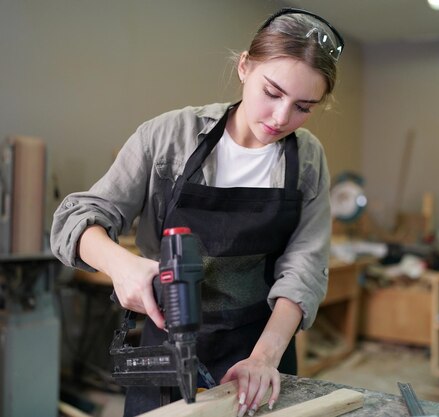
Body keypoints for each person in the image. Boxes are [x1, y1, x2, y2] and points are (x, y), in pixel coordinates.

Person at [50, 7, 344, 417]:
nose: (281, 118)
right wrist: (121, 265)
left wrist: (264, 358)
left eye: (303, 107)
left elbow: (305, 267)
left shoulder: (307, 157)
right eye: (272, 93)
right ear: (244, 66)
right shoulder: (168, 137)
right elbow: (76, 219)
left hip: (260, 349)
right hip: (168, 349)